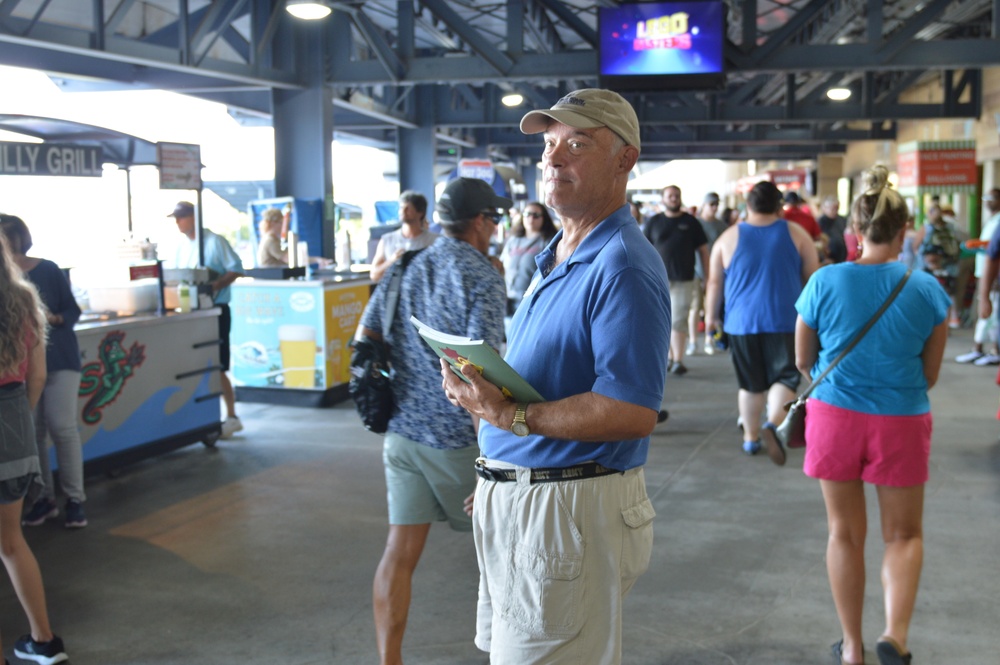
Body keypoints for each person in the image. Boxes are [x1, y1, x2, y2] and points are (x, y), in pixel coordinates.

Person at [439, 88, 671, 665]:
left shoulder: (622, 265)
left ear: (625, 159)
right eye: (548, 145)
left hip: (567, 516)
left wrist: (510, 417)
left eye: (576, 143)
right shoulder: (556, 255)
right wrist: (503, 466)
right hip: (529, 498)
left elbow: (632, 410)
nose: (552, 158)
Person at [794, 165, 949, 665]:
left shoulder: (825, 280)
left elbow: (803, 359)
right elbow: (930, 373)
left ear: (852, 232)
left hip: (834, 416)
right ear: (905, 232)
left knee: (844, 533)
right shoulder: (927, 290)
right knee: (903, 535)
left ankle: (853, 648)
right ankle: (894, 637)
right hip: (901, 419)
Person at [358, 177, 509, 665]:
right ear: (481, 222)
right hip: (458, 440)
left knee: (398, 554)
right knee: (508, 552)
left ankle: (390, 659)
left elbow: (367, 337)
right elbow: (481, 373)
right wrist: (497, 455)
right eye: (495, 219)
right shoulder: (482, 275)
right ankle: (513, 653)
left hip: (402, 435)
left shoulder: (405, 266)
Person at [705, 180, 819, 461]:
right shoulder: (797, 234)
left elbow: (714, 283)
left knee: (750, 383)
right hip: (787, 320)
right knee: (784, 378)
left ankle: (750, 438)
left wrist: (710, 318)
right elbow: (815, 279)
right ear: (779, 206)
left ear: (748, 205)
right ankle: (772, 425)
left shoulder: (728, 238)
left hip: (741, 323)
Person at [0, 232, 70, 665]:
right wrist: (19, 422)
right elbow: (38, 377)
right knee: (11, 542)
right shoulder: (25, 300)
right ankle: (44, 641)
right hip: (14, 428)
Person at [0, 215, 87, 529]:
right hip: (21, 372)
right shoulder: (6, 282)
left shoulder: (47, 269)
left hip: (60, 361)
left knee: (62, 428)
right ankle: (43, 499)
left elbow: (72, 310)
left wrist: (52, 320)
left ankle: (75, 500)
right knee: (33, 435)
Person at [166, 201, 245, 440]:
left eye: (181, 218)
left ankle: (232, 416)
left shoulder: (215, 242)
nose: (178, 223)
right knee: (198, 363)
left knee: (217, 364)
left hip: (217, 310)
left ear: (193, 217)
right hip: (191, 312)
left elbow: (236, 269)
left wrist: (215, 286)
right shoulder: (181, 247)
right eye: (176, 219)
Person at [643, 184, 708, 375]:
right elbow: (643, 249)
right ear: (663, 199)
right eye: (670, 195)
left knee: (678, 318)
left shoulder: (691, 222)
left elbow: (703, 251)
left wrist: (707, 276)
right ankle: (670, 357)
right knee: (662, 321)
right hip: (656, 280)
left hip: (684, 279)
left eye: (676, 195)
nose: (674, 198)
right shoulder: (653, 222)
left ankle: (678, 359)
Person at [957, 188, 1000, 365]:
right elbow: (992, 254)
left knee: (991, 317)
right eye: (986, 197)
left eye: (992, 198)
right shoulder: (993, 222)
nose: (988, 201)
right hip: (988, 277)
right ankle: (982, 348)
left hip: (992, 278)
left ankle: (990, 349)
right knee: (989, 316)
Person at [500, 201, 557, 316]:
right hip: (507, 302)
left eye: (536, 215)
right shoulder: (513, 240)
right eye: (527, 214)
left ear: (543, 218)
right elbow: (501, 264)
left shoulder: (549, 242)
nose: (531, 218)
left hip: (531, 304)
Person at [369, 191, 438, 282]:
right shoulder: (387, 240)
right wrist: (391, 261)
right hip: (395, 294)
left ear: (420, 212)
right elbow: (374, 276)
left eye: (408, 208)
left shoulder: (434, 241)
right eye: (401, 207)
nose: (403, 211)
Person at [696, 192, 728, 355]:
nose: (714, 207)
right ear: (704, 205)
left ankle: (710, 338)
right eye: (711, 204)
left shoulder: (722, 226)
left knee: (713, 304)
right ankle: (694, 341)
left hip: (717, 272)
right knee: (695, 308)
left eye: (716, 204)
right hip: (697, 271)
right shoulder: (696, 224)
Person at [818, 196, 849, 263]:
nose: (835, 211)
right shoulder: (819, 222)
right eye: (832, 209)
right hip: (827, 257)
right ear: (824, 208)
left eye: (836, 208)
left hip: (842, 255)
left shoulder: (842, 220)